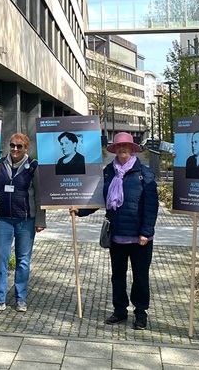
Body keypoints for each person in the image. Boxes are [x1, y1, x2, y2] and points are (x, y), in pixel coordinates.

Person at [70, 132, 158, 330]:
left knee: (140, 276)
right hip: (117, 235)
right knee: (117, 275)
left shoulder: (144, 174)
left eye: (126, 146)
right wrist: (80, 211)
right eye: (119, 147)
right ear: (114, 150)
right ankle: (120, 311)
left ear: (132, 149)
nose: (122, 149)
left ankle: (140, 313)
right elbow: (98, 199)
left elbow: (151, 206)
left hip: (139, 237)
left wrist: (146, 231)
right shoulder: (108, 172)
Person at [0, 133, 46, 314]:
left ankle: (21, 299)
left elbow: (40, 195)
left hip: (25, 221)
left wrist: (40, 220)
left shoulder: (33, 167)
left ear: (26, 148)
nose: (14, 149)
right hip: (3, 219)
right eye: (12, 145)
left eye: (19, 146)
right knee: (0, 259)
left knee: (23, 261)